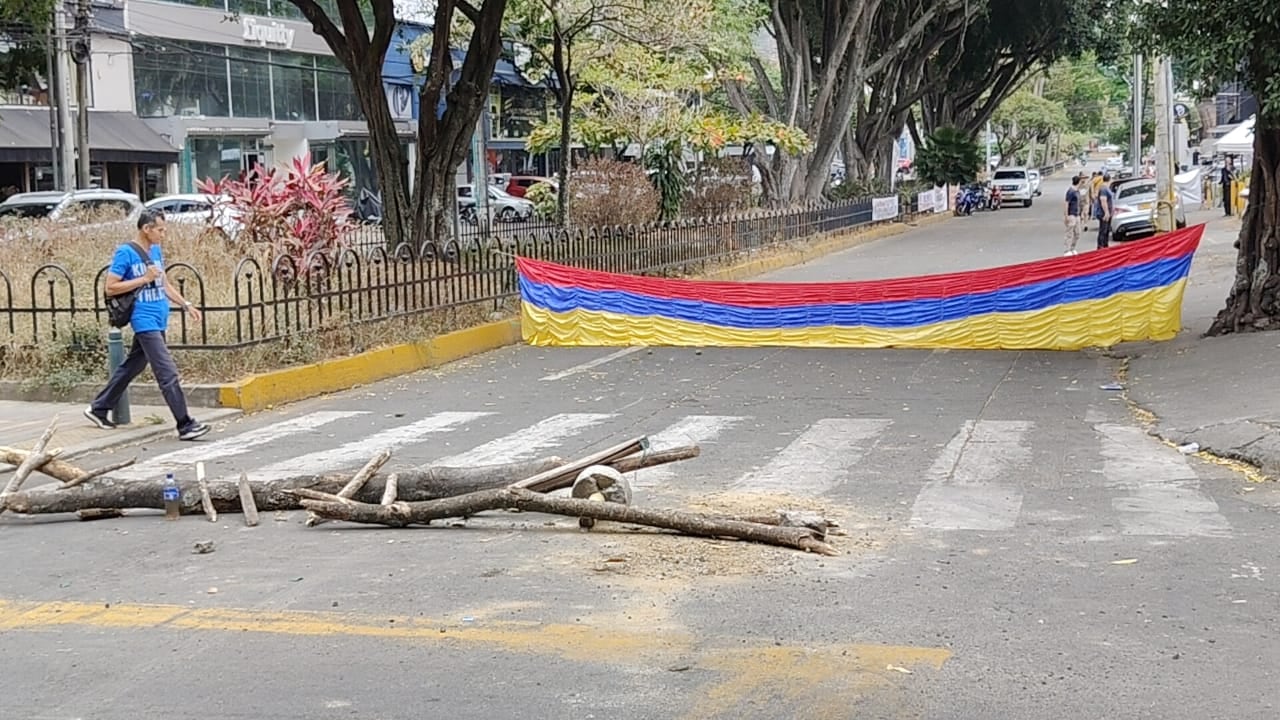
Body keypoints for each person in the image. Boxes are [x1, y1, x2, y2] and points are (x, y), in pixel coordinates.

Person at [83, 208, 211, 441]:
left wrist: (186, 304)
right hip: (143, 318)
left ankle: (99, 408)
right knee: (167, 371)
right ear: (146, 229)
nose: (164, 234)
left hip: (159, 317)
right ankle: (185, 424)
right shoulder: (126, 253)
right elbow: (110, 287)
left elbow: (164, 284)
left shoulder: (156, 251)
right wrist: (143, 279)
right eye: (160, 230)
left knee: (134, 364)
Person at [1063, 175, 1083, 255]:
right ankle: (1067, 249)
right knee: (1069, 232)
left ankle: (1073, 247)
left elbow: (1079, 203)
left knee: (1077, 232)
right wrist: (1066, 215)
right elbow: (1066, 203)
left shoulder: (1077, 191)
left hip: (1077, 214)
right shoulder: (1071, 191)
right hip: (1071, 214)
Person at [1094, 172, 1114, 249]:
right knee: (1103, 230)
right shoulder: (1103, 189)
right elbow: (1103, 201)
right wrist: (1106, 212)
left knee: (1106, 230)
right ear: (1109, 180)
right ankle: (1101, 246)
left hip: (1107, 212)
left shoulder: (1105, 188)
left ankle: (1105, 245)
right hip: (1104, 213)